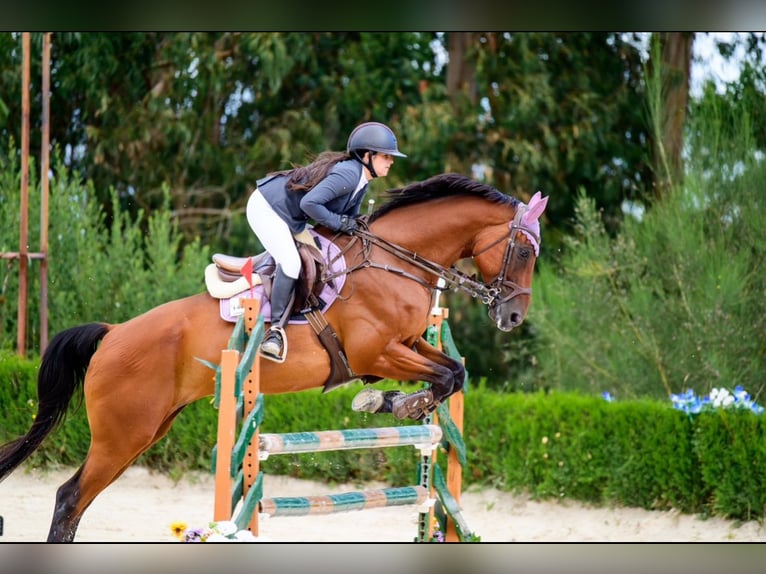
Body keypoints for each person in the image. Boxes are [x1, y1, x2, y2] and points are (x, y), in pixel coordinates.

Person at [246, 121, 406, 363]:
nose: (391, 161)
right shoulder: (348, 174)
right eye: (385, 156)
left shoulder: (361, 181)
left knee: (322, 255)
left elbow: (350, 220)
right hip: (267, 208)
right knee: (290, 263)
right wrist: (342, 224)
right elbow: (309, 204)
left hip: (291, 216)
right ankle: (275, 332)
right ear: (367, 156)